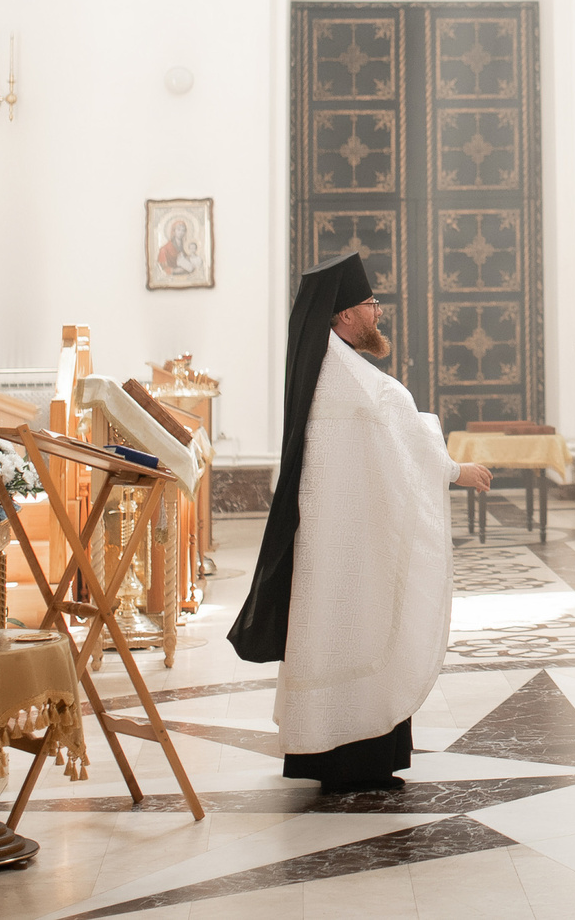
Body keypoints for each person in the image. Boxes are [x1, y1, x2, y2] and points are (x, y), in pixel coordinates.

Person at [228, 253, 494, 793]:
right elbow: (404, 440)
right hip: (355, 544)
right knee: (362, 627)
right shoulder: (353, 379)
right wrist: (455, 470)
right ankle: (359, 760)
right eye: (371, 305)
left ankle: (329, 751)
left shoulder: (323, 367)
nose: (378, 314)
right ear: (345, 315)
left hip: (337, 538)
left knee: (333, 628)